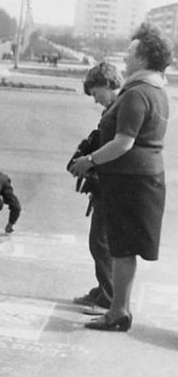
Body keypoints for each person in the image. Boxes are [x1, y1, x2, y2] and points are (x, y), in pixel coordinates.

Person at [70, 22, 172, 332]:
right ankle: (118, 309)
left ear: (142, 57)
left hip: (131, 181)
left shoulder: (137, 93)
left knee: (123, 249)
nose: (125, 60)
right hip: (142, 179)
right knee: (124, 249)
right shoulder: (156, 89)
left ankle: (118, 313)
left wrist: (89, 160)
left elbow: (124, 142)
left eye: (130, 53)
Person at [67, 63, 122, 315]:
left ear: (109, 84)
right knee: (100, 241)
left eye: (96, 92)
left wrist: (90, 162)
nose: (96, 100)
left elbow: (116, 146)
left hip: (113, 185)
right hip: (106, 183)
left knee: (101, 242)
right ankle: (104, 289)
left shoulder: (118, 109)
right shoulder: (114, 108)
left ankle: (109, 297)